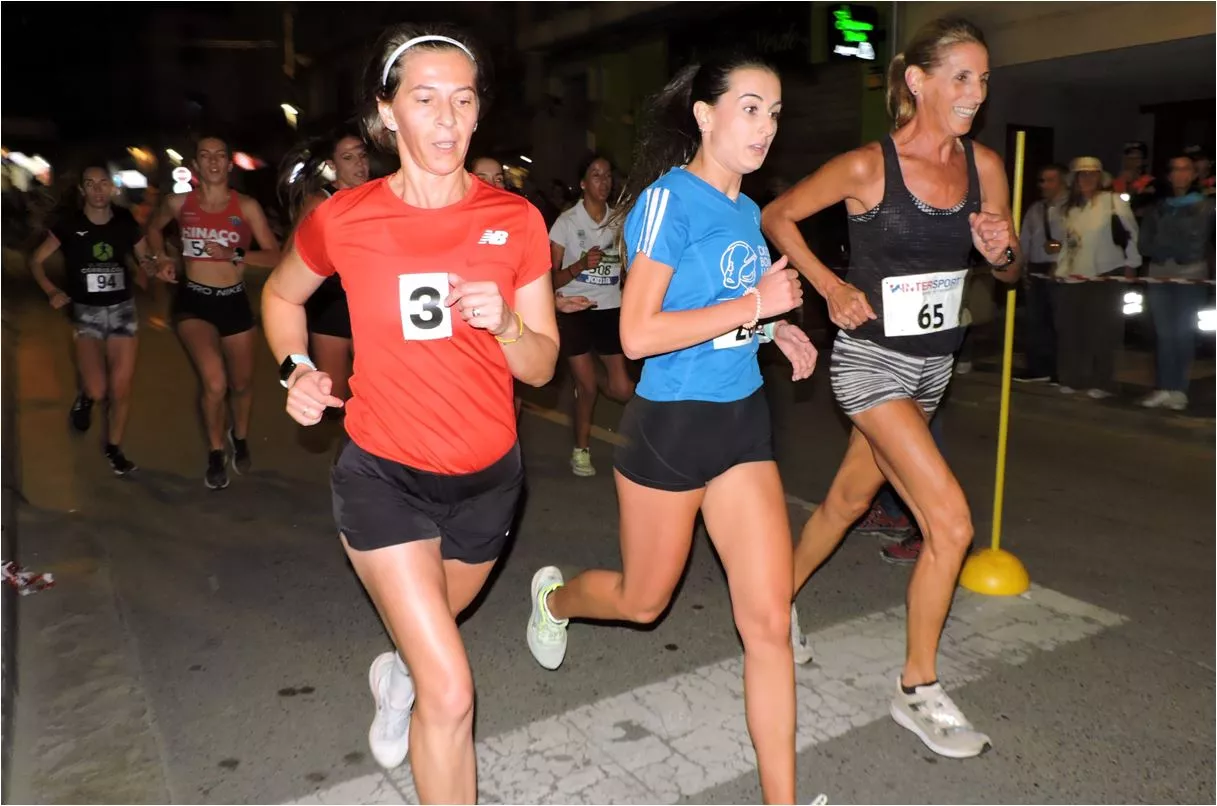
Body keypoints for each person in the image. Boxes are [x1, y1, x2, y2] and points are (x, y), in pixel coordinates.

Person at [261, 26, 557, 803]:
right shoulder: (345, 217)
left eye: (462, 100)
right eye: (424, 100)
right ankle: (415, 682)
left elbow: (541, 365)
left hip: (489, 485)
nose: (446, 119)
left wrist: (509, 325)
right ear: (387, 113)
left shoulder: (516, 221)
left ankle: (396, 676)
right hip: (384, 480)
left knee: (424, 650)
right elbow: (281, 296)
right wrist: (295, 369)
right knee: (450, 690)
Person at [526, 54, 816, 804]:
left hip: (742, 425)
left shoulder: (748, 212)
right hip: (673, 429)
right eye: (749, 108)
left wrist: (771, 331)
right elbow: (638, 333)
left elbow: (722, 311)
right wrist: (755, 306)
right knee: (643, 601)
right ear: (704, 115)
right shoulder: (667, 200)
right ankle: (554, 601)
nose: (764, 127)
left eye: (774, 113)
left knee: (768, 624)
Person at [762, 17, 1020, 759]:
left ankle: (772, 605)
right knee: (951, 524)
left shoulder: (985, 167)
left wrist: (1001, 253)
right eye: (961, 77)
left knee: (846, 502)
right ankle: (916, 688)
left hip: (932, 369)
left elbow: (1009, 274)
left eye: (982, 80)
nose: (974, 93)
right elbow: (778, 215)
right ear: (917, 80)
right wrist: (829, 286)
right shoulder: (867, 167)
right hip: (870, 363)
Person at [145, 135, 281, 490]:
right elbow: (153, 229)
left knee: (242, 384)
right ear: (195, 165)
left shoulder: (246, 206)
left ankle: (241, 436)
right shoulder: (179, 203)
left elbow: (275, 255)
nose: (213, 161)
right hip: (194, 302)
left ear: (229, 164)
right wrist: (161, 258)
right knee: (215, 382)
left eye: (220, 155)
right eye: (205, 156)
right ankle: (216, 451)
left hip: (234, 301)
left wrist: (234, 254)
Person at [30, 163, 150, 475]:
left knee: (121, 389)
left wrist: (156, 266)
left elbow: (145, 257)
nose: (98, 190)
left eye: (103, 183)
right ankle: (86, 396)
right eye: (90, 184)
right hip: (86, 314)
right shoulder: (69, 225)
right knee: (98, 389)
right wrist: (51, 291)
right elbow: (36, 261)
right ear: (82, 190)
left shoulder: (125, 221)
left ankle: (114, 448)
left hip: (122, 310)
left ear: (112, 187)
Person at [549, 153, 634, 476]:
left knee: (623, 389)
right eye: (596, 175)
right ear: (583, 183)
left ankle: (593, 377)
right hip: (575, 308)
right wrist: (580, 266)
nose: (604, 181)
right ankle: (581, 451)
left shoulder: (619, 222)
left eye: (608, 175)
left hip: (610, 309)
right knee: (586, 389)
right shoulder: (567, 223)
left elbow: (628, 266)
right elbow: (550, 279)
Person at [280, 126, 371, 409]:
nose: (359, 164)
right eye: (348, 157)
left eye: (362, 155)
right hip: (331, 306)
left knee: (376, 390)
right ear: (333, 165)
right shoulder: (321, 201)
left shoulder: (379, 195)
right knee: (338, 397)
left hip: (369, 305)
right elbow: (290, 252)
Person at [1054, 156, 1140, 398]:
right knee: (1071, 328)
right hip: (1075, 274)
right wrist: (1060, 269)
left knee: (1101, 330)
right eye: (1082, 174)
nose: (1087, 178)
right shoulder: (1070, 209)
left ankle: (1103, 382)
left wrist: (1132, 265)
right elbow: (1068, 243)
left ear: (1100, 178)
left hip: (1106, 272)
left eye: (1092, 174)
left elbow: (1131, 233)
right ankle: (1073, 378)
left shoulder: (1113, 201)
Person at [1137, 152, 1216, 411]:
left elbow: (1207, 242)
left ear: (1194, 175)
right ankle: (1163, 387)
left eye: (1186, 169)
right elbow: (1144, 242)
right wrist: (1160, 249)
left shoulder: (1208, 207)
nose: (1180, 174)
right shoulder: (1158, 207)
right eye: (1175, 169)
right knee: (1164, 333)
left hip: (1191, 274)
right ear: (1169, 175)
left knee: (1183, 333)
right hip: (1159, 273)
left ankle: (1178, 389)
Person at [1015, 163, 1068, 384]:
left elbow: (1075, 239)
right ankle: (1038, 368)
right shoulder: (1035, 209)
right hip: (1036, 267)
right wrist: (1022, 267)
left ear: (1063, 181)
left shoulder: (1072, 207)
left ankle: (1060, 370)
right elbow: (1024, 239)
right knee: (1036, 320)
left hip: (1062, 268)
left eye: (1050, 180)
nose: (1044, 185)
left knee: (1060, 321)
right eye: (1042, 180)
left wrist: (1062, 262)